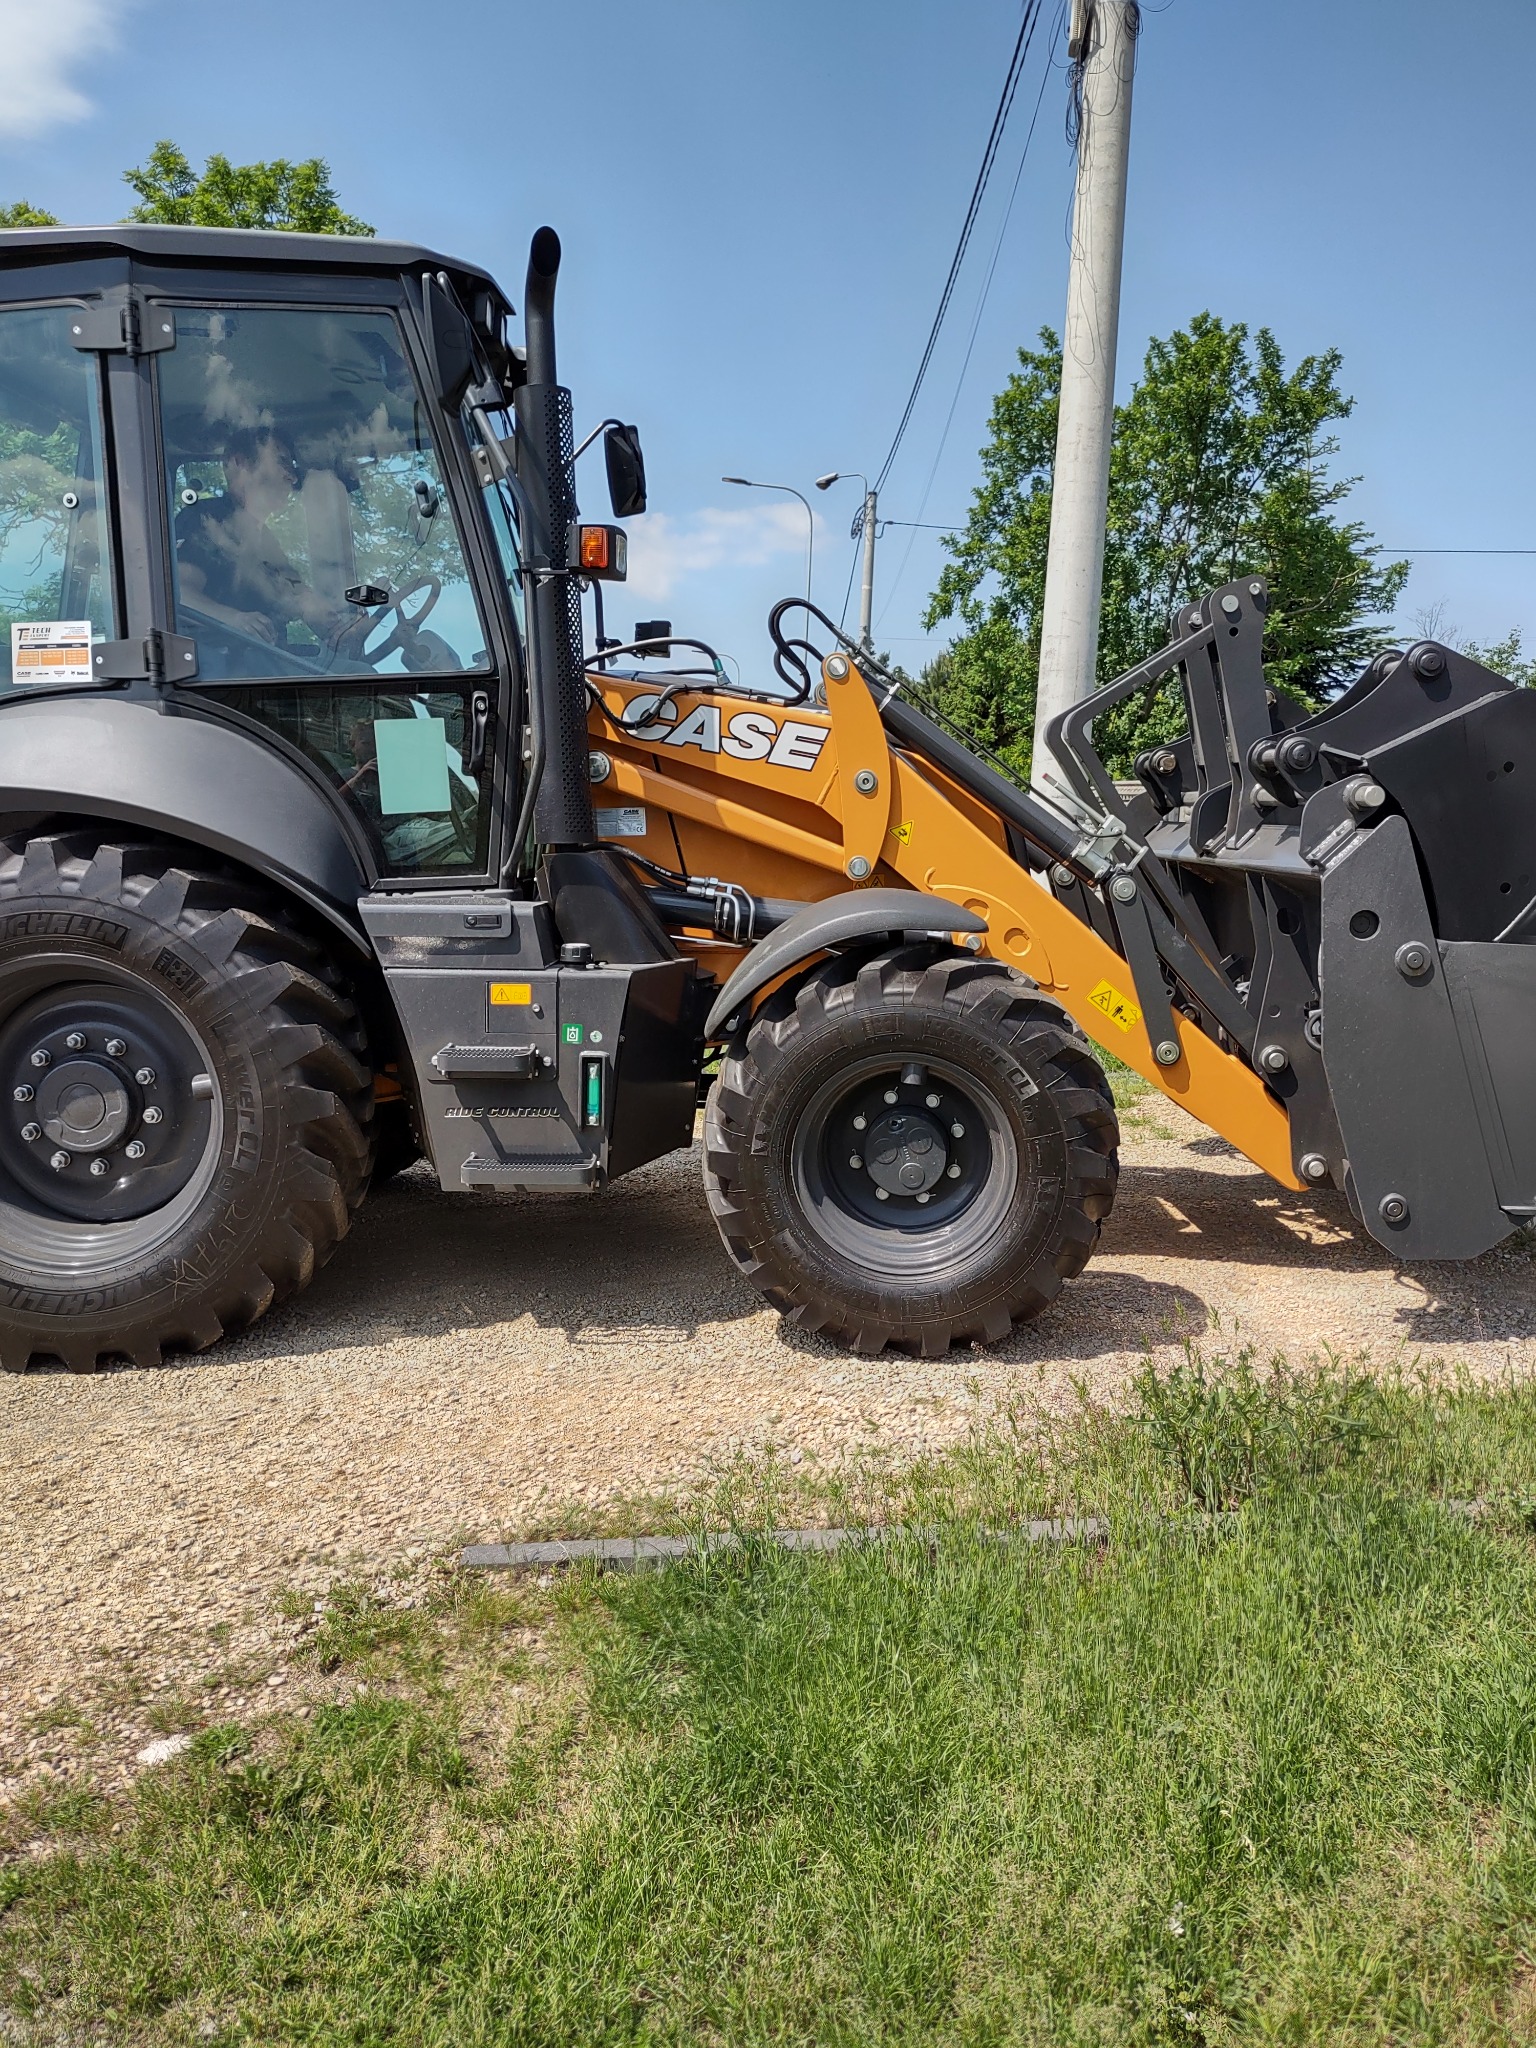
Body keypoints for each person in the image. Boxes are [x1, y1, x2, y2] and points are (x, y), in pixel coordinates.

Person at [174, 425, 352, 649]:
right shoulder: (206, 520)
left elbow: (297, 594)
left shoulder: (267, 541)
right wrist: (233, 619)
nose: (292, 477)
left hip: (268, 661)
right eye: (282, 462)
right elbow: (178, 594)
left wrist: (331, 621)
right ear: (240, 463)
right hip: (220, 667)